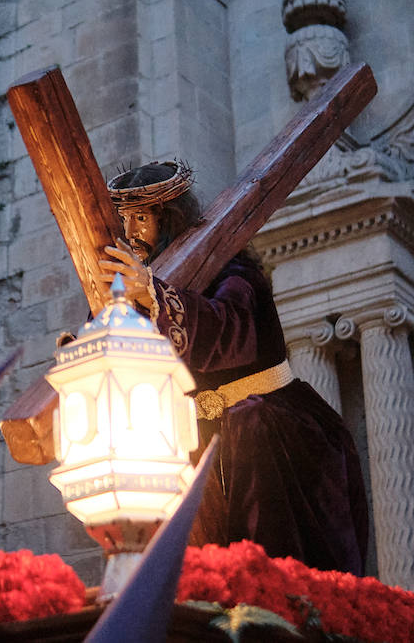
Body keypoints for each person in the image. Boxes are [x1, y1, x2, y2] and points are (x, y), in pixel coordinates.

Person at [98, 160, 368, 574]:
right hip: (197, 442)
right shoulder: (146, 281)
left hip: (269, 435)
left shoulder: (232, 269)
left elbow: (233, 330)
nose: (131, 231)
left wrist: (155, 295)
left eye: (140, 218)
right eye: (125, 219)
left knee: (274, 569)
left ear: (168, 218)